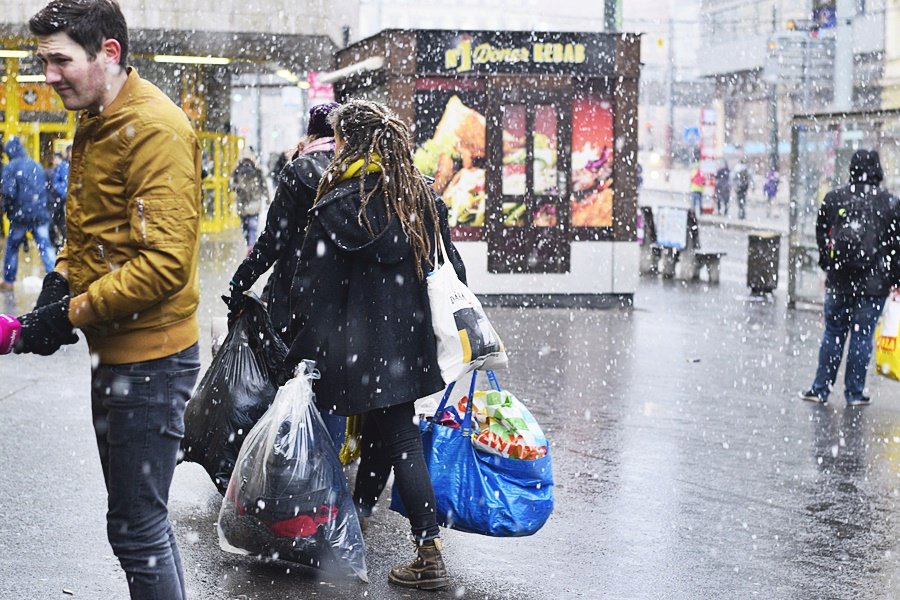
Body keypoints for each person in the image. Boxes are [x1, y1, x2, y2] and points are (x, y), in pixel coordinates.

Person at [19, 2, 203, 598]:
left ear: (110, 53)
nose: (48, 75)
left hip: (150, 362)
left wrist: (68, 312)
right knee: (141, 523)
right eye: (42, 60)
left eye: (59, 60)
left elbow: (164, 265)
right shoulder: (99, 116)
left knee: (136, 528)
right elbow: (95, 232)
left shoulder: (153, 129)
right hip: (123, 356)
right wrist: (62, 278)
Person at [280, 99, 466, 590]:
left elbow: (310, 289)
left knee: (320, 438)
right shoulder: (417, 200)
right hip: (404, 343)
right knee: (400, 437)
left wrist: (301, 351)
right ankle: (427, 548)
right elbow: (453, 272)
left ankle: (322, 534)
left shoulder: (334, 202)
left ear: (349, 142)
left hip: (346, 348)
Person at [224, 101, 343, 444]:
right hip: (342, 297)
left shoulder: (300, 170)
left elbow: (273, 240)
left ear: (311, 132)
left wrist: (240, 280)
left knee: (288, 376)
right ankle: (325, 466)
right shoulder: (354, 171)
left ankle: (285, 459)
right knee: (329, 383)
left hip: (296, 294)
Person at [800, 150, 900, 406]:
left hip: (840, 279)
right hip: (874, 284)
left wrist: (827, 262)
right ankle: (854, 393)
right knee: (862, 336)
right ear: (878, 170)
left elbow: (822, 231)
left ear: (852, 169)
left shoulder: (835, 197)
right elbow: (896, 246)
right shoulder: (890, 202)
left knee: (833, 333)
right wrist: (894, 277)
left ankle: (820, 389)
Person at [1, 136, 57, 291]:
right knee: (45, 246)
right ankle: (56, 280)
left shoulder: (10, 167)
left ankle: (9, 280)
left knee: (12, 247)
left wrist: (8, 210)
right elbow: (45, 189)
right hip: (39, 214)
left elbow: (8, 192)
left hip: (20, 215)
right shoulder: (35, 165)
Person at [229, 149, 268, 250]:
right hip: (252, 202)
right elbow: (264, 186)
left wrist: (238, 188)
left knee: (248, 227)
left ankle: (250, 246)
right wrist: (267, 198)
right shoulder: (256, 171)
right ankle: (251, 245)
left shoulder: (238, 171)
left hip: (245, 203)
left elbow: (232, 186)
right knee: (250, 227)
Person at [48, 147, 70, 248]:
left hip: (60, 201)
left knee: (60, 222)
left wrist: (63, 194)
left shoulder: (62, 167)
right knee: (60, 223)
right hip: (59, 201)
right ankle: (63, 242)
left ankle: (62, 242)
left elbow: (59, 184)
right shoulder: (59, 168)